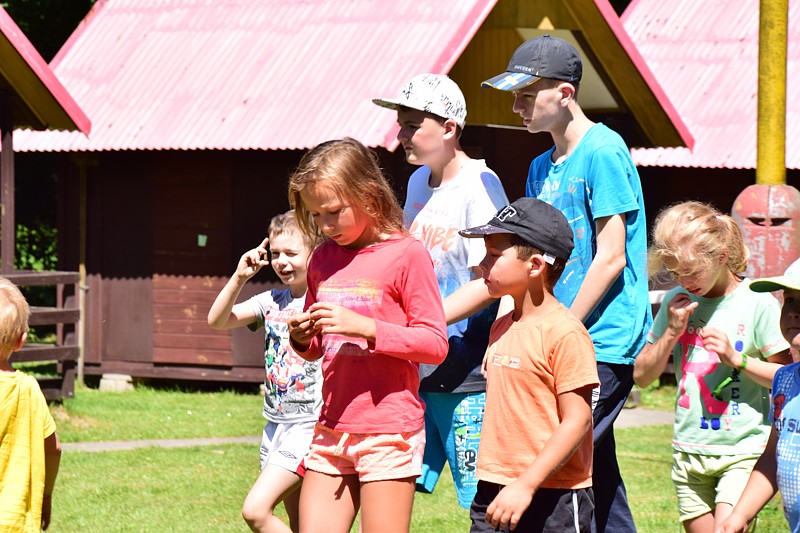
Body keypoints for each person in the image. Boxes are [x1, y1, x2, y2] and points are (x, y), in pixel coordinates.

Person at [445, 34, 651, 531]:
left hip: (599, 339)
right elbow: (519, 263)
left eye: (525, 95)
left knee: (550, 457)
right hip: (553, 337)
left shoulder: (604, 151)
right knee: (596, 471)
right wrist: (507, 332)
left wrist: (557, 331)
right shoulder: (540, 167)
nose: (515, 107)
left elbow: (610, 257)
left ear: (564, 93)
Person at [285, 138, 448, 533]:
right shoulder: (322, 258)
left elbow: (434, 344)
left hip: (389, 431)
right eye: (316, 215)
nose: (325, 225)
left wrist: (368, 329)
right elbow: (319, 347)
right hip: (332, 426)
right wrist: (303, 338)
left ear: (369, 195)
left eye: (334, 212)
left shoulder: (407, 254)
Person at [372, 73, 509, 509]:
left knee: (483, 502)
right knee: (390, 485)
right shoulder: (417, 182)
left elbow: (494, 280)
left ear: (449, 128)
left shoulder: (480, 187)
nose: (401, 135)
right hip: (418, 364)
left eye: (413, 125)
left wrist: (422, 324)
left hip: (466, 372)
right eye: (401, 125)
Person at [633, 201, 791, 532]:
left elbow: (787, 380)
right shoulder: (676, 301)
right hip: (688, 451)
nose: (682, 280)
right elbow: (642, 377)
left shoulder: (757, 303)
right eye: (675, 272)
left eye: (691, 272)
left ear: (721, 256)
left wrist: (738, 360)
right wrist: (671, 332)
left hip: (743, 450)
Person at [458, 197, 598, 532]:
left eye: (494, 255)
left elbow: (578, 420)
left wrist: (525, 485)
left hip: (553, 496)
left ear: (534, 265)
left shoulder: (565, 333)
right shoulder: (502, 325)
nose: (482, 264)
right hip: (494, 487)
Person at [207, 210, 322, 533]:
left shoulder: (323, 302)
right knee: (301, 524)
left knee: (256, 511)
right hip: (275, 424)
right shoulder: (270, 301)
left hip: (309, 425)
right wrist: (239, 277)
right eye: (275, 254)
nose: (282, 262)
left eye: (291, 253)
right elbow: (217, 320)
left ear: (316, 251)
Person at [716, 257, 800, 533]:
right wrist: (741, 514)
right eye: (789, 300)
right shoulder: (784, 381)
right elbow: (774, 455)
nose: (794, 312)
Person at [0, 277, 61, 532]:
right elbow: (54, 448)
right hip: (17, 521)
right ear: (21, 340)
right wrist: (46, 495)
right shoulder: (29, 389)